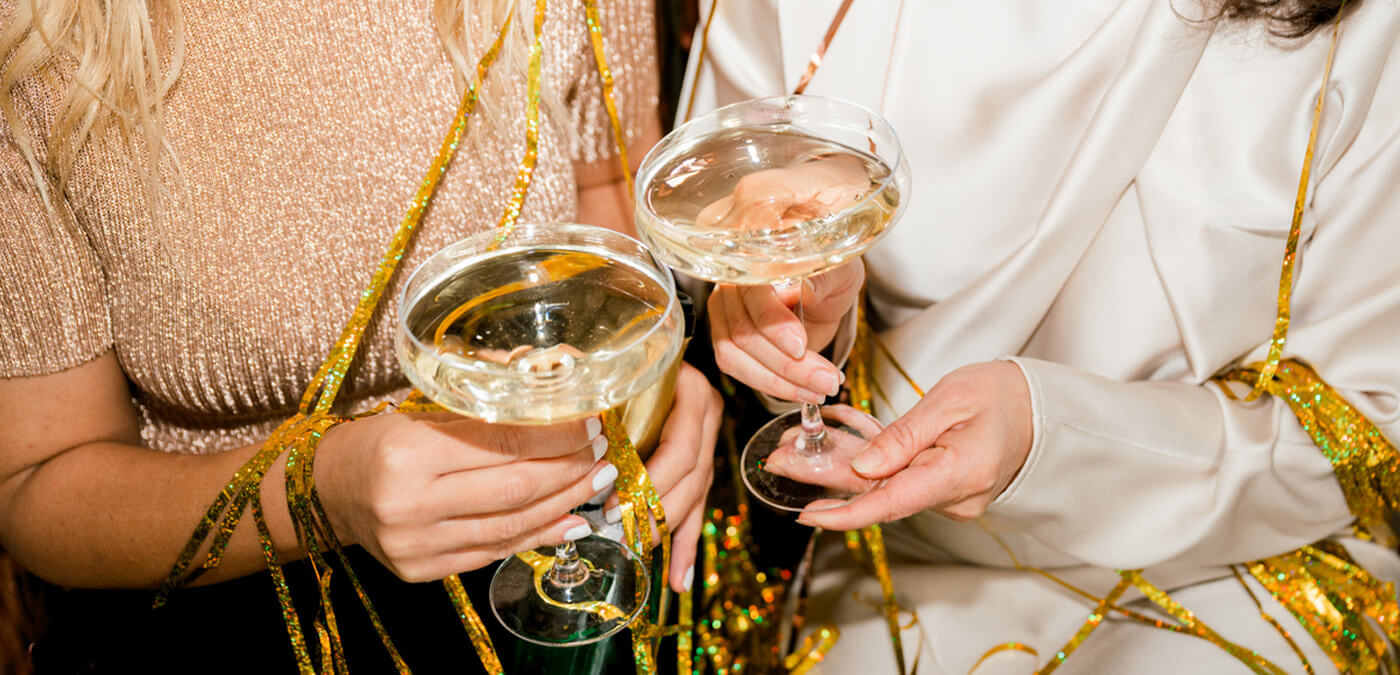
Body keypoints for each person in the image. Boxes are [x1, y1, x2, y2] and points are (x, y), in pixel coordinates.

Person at [0, 0, 719, 672]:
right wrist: (319, 490)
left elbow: (606, 205)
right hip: (237, 621)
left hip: (561, 572)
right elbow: (36, 483)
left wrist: (647, 380)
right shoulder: (40, 33)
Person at [692, 0, 1400, 672]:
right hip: (891, 548)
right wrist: (800, 327)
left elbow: (1365, 431)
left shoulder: (1368, 32)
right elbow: (711, 216)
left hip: (1239, 558)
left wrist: (1052, 437)